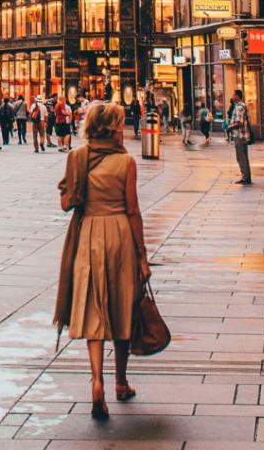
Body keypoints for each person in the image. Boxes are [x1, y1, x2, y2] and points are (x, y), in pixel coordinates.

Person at [54, 102, 152, 420]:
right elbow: (133, 210)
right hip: (121, 234)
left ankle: (97, 382)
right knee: (123, 305)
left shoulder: (77, 157)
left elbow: (66, 203)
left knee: (94, 308)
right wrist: (142, 254)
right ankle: (120, 382)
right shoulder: (126, 162)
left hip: (89, 235)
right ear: (112, 128)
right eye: (121, 124)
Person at [226, 89, 252, 184]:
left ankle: (245, 177)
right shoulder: (241, 106)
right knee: (243, 156)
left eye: (233, 95)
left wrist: (229, 127)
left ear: (237, 96)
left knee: (241, 156)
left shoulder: (239, 107)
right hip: (242, 134)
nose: (232, 97)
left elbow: (239, 122)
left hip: (240, 134)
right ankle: (246, 176)